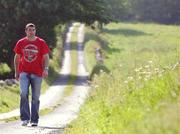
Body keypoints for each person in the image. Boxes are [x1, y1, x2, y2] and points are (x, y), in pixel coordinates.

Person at [13, 23, 50, 126]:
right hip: (24, 72)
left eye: (33, 30)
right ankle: (25, 118)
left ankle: (34, 120)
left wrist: (46, 69)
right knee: (23, 93)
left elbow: (46, 57)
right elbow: (17, 57)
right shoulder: (21, 42)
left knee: (35, 97)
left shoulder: (41, 42)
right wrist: (16, 71)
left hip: (37, 73)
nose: (31, 31)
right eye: (29, 30)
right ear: (26, 31)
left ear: (35, 31)